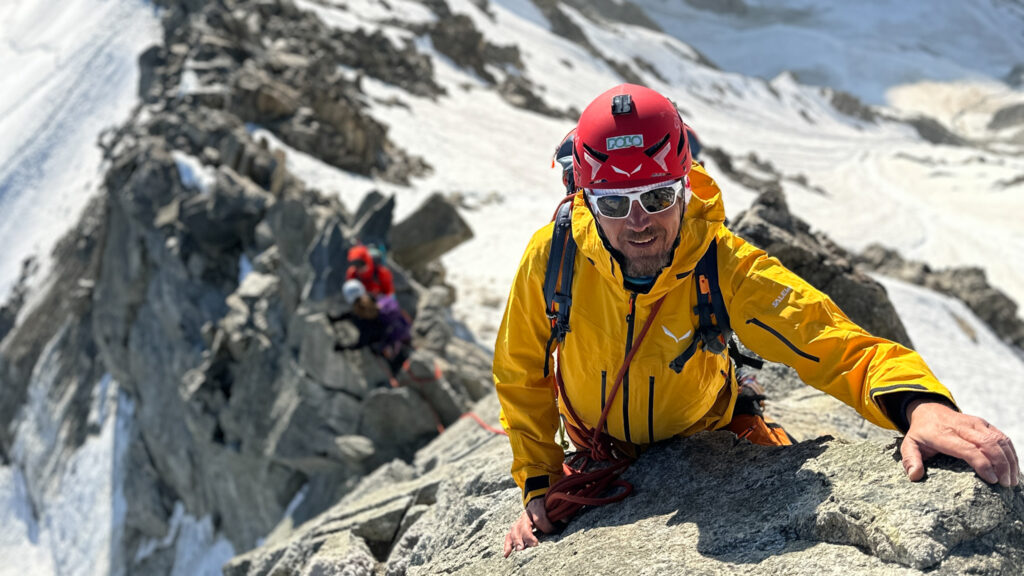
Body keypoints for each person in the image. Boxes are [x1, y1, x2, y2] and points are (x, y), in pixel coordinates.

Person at [495, 84, 1019, 556]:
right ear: (585, 197)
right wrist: (539, 482)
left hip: (711, 433)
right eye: (613, 202)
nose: (639, 222)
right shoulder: (554, 257)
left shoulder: (723, 265)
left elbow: (833, 341)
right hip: (596, 447)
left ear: (684, 185)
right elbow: (520, 372)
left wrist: (921, 406)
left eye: (656, 197)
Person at [334, 279, 411, 374]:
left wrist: (343, 347)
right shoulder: (378, 299)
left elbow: (362, 343)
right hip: (404, 333)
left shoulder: (364, 321)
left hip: (390, 345)